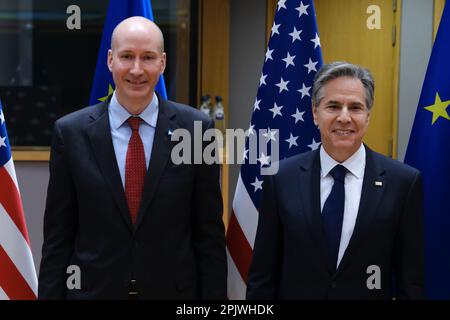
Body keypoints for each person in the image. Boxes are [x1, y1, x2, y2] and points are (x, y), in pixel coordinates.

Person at [38, 16, 227, 300]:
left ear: (162, 63)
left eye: (148, 57)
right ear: (110, 60)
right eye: (127, 56)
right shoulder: (70, 133)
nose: (137, 69)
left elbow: (208, 237)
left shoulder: (197, 130)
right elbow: (58, 240)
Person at [246, 62, 424, 300]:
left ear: (368, 116)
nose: (344, 117)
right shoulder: (281, 178)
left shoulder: (403, 182)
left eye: (355, 107)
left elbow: (410, 283)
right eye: (333, 106)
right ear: (315, 113)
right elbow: (262, 277)